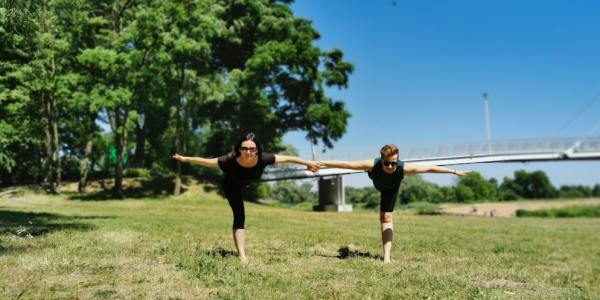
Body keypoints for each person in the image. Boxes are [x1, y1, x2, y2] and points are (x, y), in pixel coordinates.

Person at [172, 132, 319, 262]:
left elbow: (287, 159)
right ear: (238, 149)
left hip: (245, 183)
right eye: (244, 148)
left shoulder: (263, 158)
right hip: (230, 186)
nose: (248, 152)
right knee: (239, 216)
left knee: (242, 202)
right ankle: (242, 255)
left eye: (252, 149)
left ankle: (241, 253)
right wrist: (185, 159)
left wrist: (308, 163)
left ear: (257, 150)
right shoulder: (228, 160)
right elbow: (207, 162)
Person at [318, 144, 470, 263]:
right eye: (386, 163)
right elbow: (346, 165)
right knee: (365, 169)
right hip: (377, 181)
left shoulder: (404, 168)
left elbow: (429, 168)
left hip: (390, 189)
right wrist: (320, 164)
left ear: (398, 161)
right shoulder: (372, 164)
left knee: (386, 218)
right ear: (381, 159)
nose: (390, 166)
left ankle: (387, 257)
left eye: (393, 163)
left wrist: (454, 172)